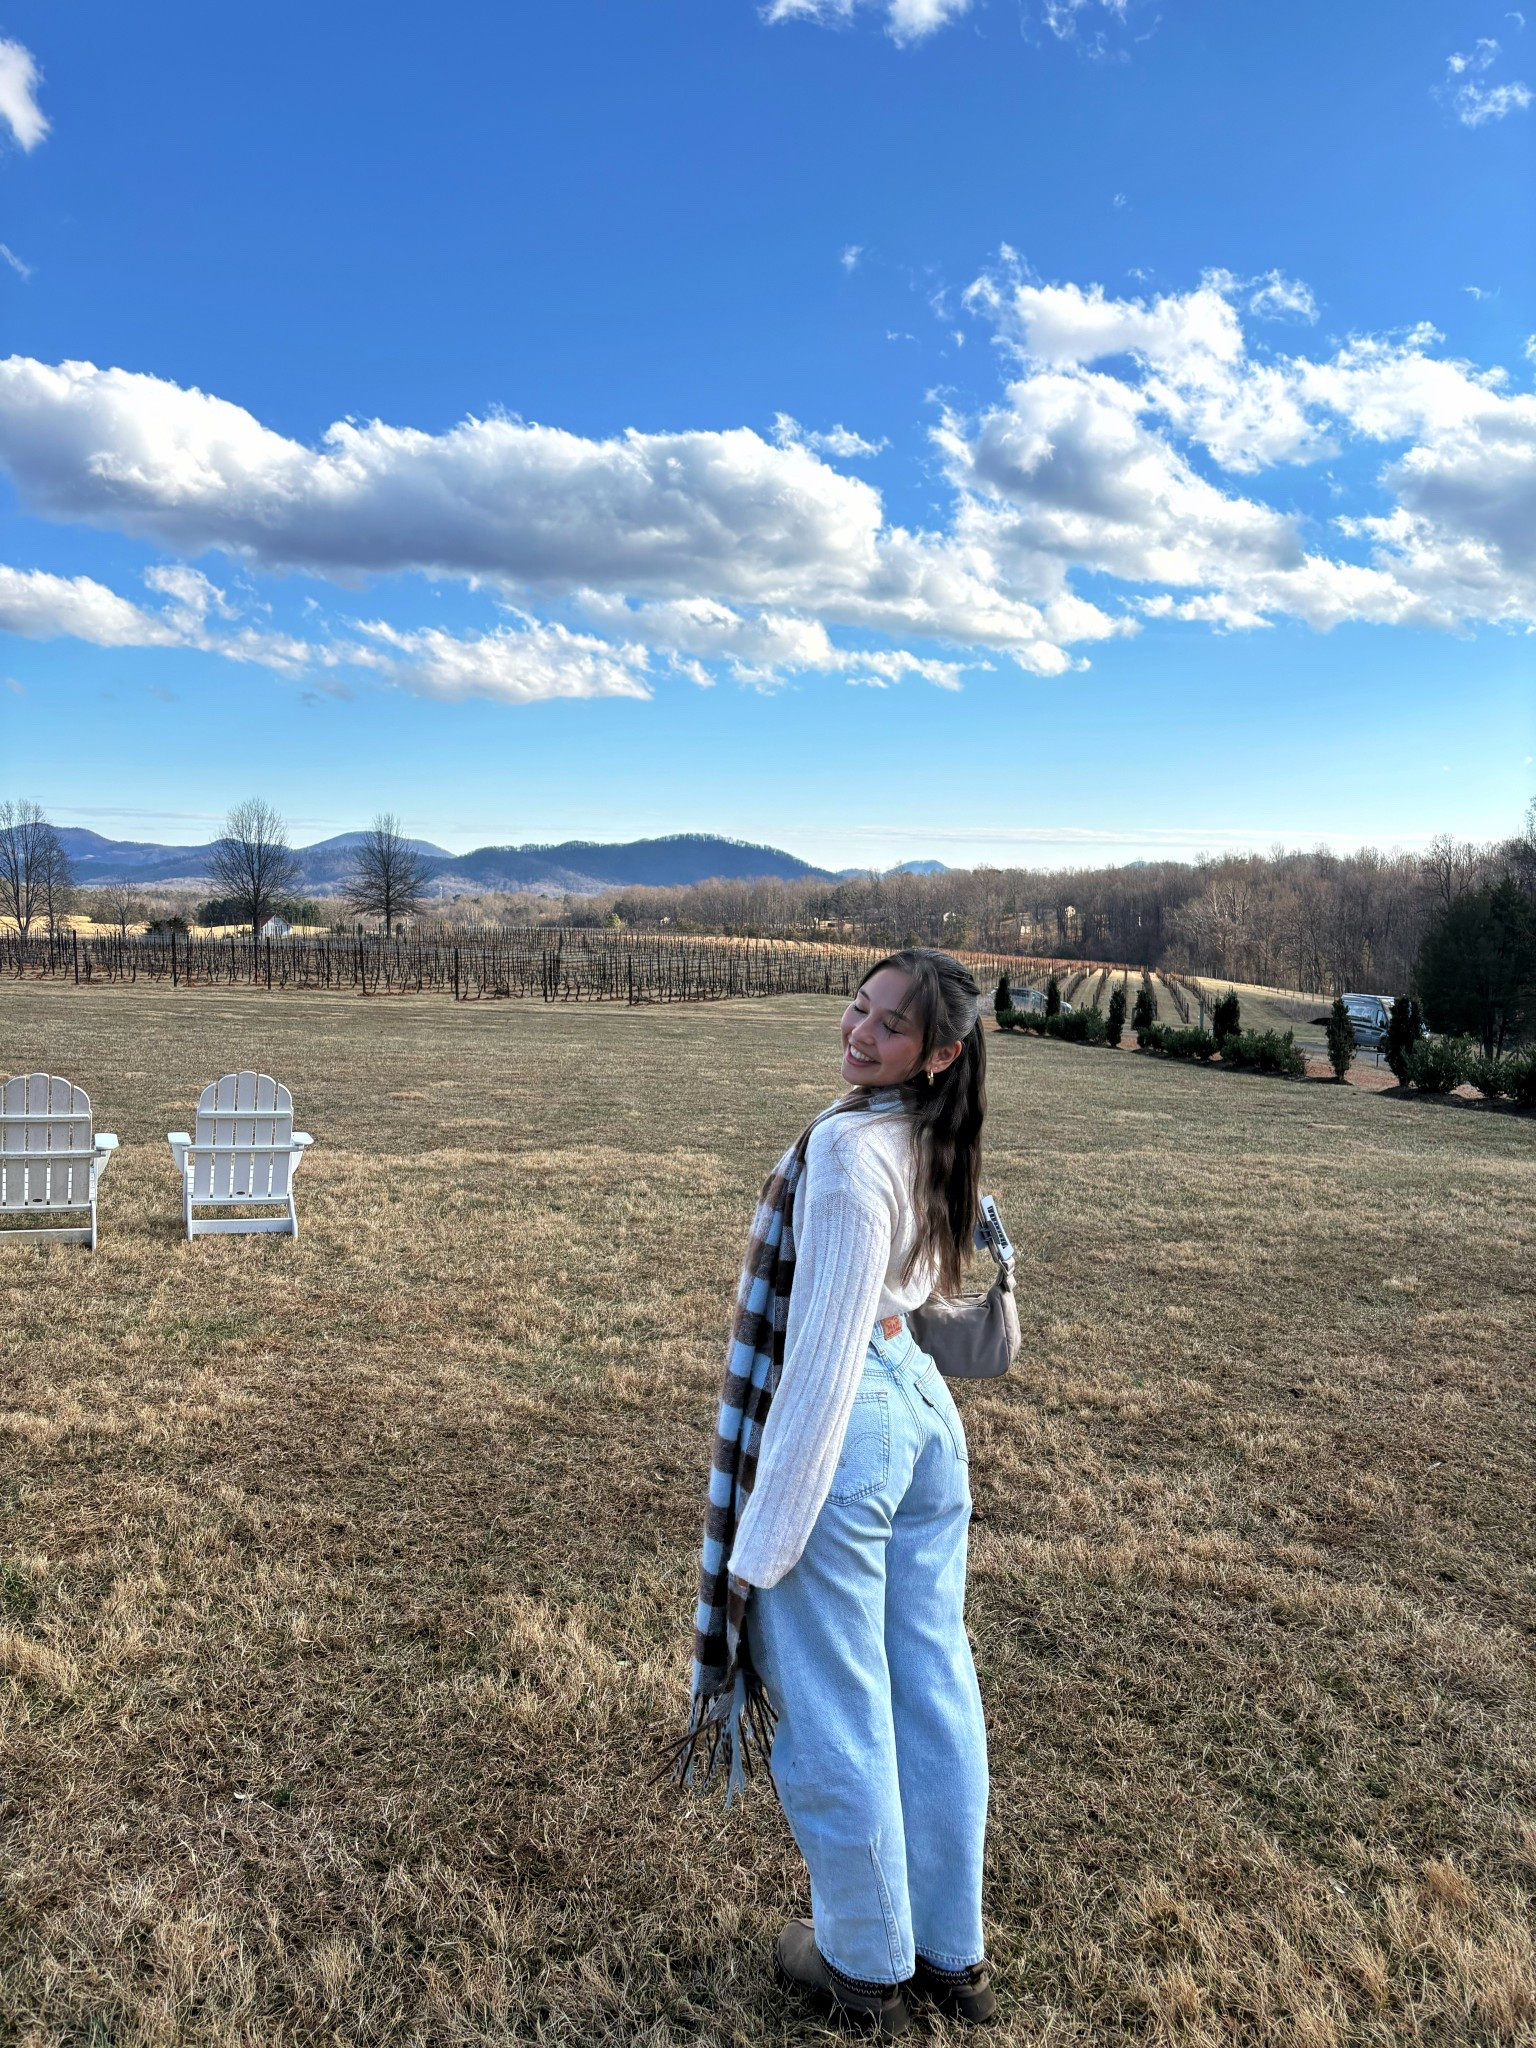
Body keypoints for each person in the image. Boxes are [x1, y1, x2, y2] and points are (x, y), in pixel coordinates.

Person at [682, 948, 996, 2038]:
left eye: (890, 1024)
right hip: (923, 1406)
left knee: (835, 1702)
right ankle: (951, 1953)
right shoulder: (930, 1127)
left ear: (938, 1051)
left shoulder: (849, 1148)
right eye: (858, 1007)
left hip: (857, 1411)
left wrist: (762, 1541)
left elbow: (818, 1356)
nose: (860, 1031)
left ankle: (862, 1962)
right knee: (931, 1683)